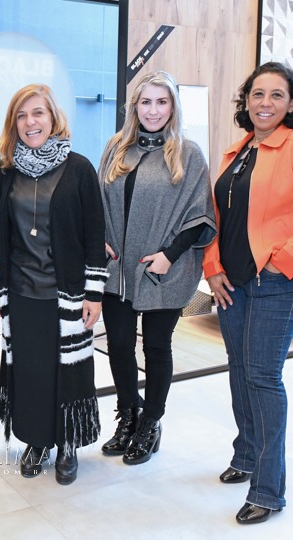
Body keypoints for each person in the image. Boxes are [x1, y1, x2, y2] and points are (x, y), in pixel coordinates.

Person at [203, 62, 293, 524]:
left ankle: (268, 489)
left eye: (277, 95)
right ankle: (245, 454)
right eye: (258, 94)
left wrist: (281, 261)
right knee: (240, 369)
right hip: (232, 280)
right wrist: (212, 268)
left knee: (262, 375)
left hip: (280, 280)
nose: (265, 103)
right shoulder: (236, 151)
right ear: (246, 101)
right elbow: (215, 217)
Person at [0, 84, 107, 485]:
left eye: (38, 113)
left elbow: (95, 234)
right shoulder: (5, 172)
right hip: (22, 293)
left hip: (67, 293)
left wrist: (94, 293)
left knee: (66, 372)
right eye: (21, 116)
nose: (30, 122)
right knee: (31, 371)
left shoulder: (79, 169)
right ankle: (37, 440)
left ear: (54, 118)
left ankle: (67, 441)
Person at [98, 71, 216, 466]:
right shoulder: (116, 148)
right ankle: (128, 414)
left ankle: (151, 422)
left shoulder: (188, 154)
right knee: (118, 345)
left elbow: (201, 213)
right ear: (135, 107)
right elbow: (98, 200)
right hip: (118, 269)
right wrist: (98, 239)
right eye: (145, 102)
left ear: (173, 106)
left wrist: (170, 253)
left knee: (156, 346)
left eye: (161, 102)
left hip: (164, 268)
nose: (153, 110)